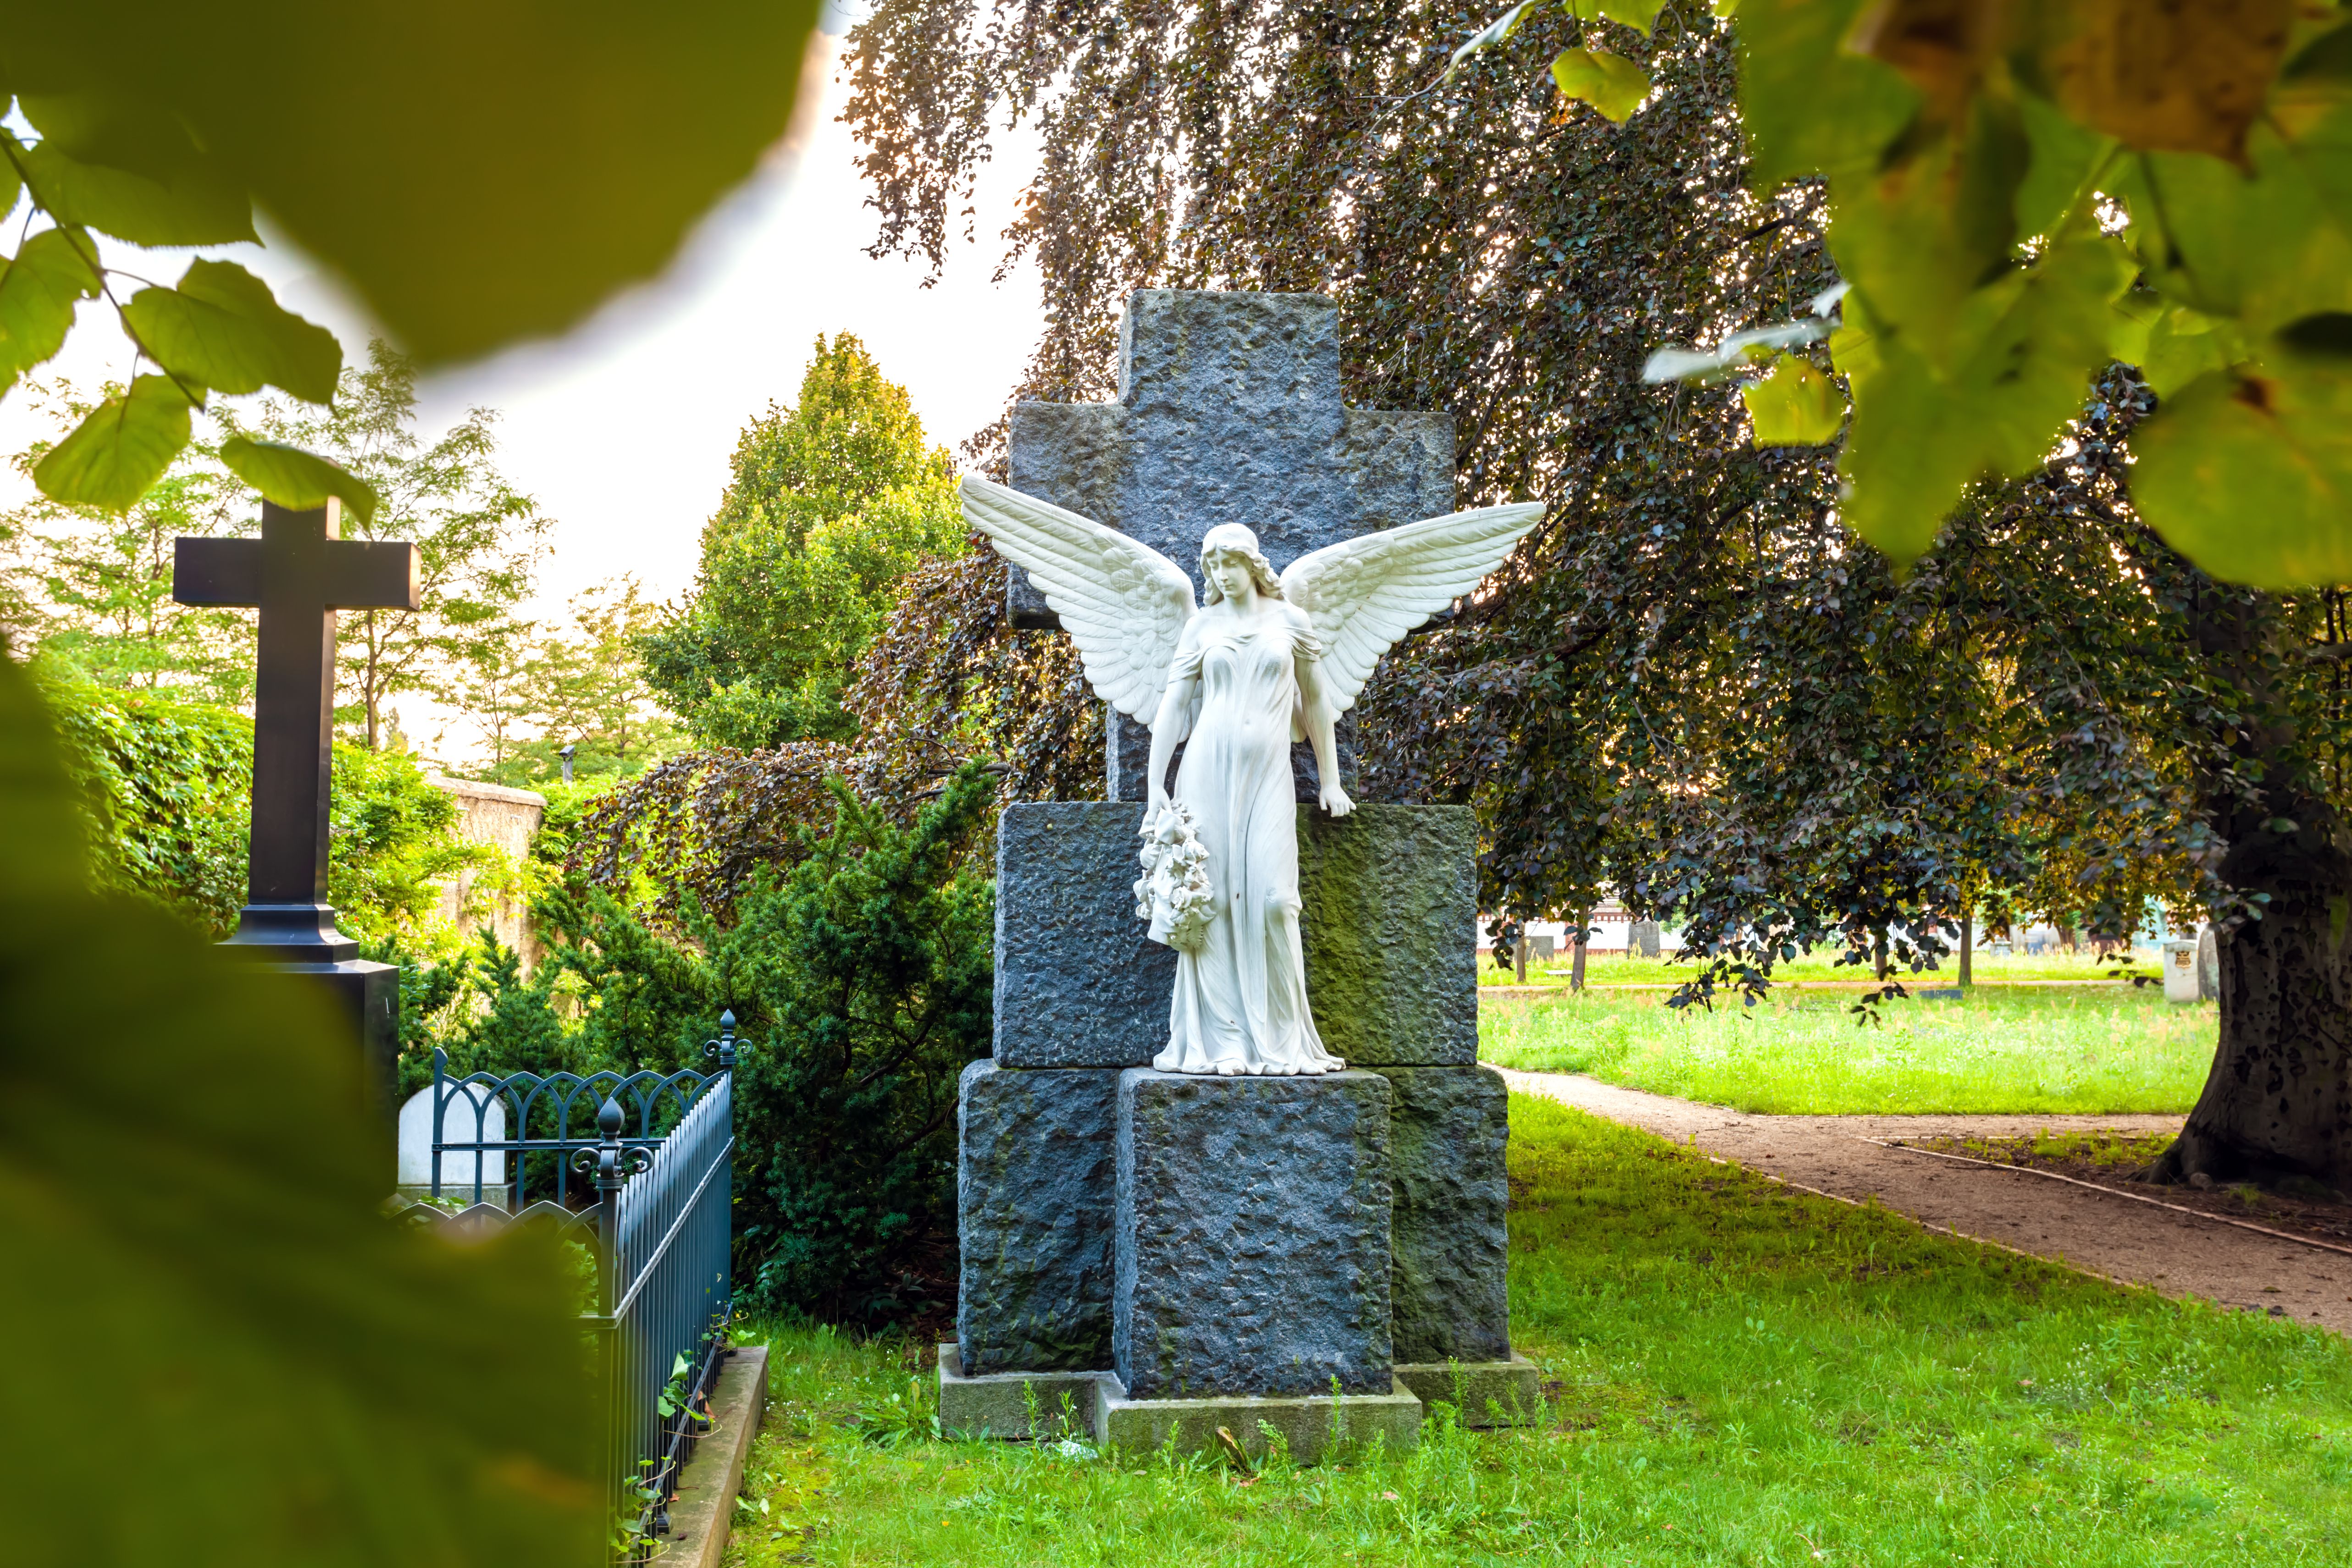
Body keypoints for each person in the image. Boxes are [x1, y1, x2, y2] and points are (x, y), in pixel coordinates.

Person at [1144, 523, 1350, 1075]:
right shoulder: (1201, 626)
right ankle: (1225, 1042)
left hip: (1268, 777)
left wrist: (1330, 781)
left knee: (1276, 902)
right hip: (1204, 773)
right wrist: (1154, 785)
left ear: (1253, 565)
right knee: (1210, 905)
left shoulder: (1291, 621)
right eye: (1212, 567)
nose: (1221, 576)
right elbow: (1173, 705)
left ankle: (1281, 1041)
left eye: (1229, 564)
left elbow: (1316, 702)